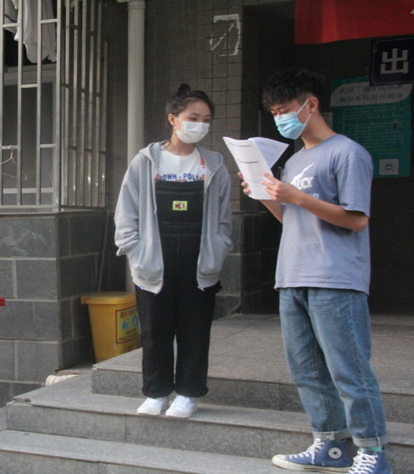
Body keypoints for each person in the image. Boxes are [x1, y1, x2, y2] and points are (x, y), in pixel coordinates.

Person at [240, 68, 391, 474]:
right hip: (292, 275)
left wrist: (298, 197)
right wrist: (265, 195)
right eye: (274, 112)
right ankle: (330, 445)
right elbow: (291, 217)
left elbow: (357, 220)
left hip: (335, 277)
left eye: (285, 109)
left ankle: (373, 453)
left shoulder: (348, 153)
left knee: (349, 370)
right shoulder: (294, 161)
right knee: (306, 370)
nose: (280, 118)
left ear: (311, 104)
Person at [114, 84, 232, 419]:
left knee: (195, 331)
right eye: (193, 117)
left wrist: (218, 250)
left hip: (199, 262)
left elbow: (224, 220)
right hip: (154, 262)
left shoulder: (214, 165)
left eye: (206, 119)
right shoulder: (146, 161)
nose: (200, 124)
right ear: (173, 119)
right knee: (155, 332)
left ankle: (189, 394)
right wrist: (136, 252)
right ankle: (156, 392)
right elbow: (126, 212)